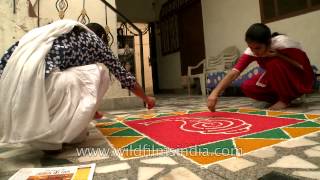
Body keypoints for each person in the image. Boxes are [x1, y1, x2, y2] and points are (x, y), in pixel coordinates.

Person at [0, 20, 155, 151]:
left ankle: (52, 134)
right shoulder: (94, 41)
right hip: (40, 89)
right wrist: (146, 99)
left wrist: (92, 110)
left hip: (14, 90)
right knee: (100, 71)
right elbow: (124, 77)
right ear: (101, 37)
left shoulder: (60, 32)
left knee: (74, 72)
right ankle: (53, 138)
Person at [207, 23, 314, 111]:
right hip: (276, 79)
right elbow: (234, 72)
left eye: (258, 48)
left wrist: (279, 55)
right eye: (250, 47)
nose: (254, 52)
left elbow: (302, 67)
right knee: (247, 87)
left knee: (273, 63)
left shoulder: (283, 43)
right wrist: (215, 93)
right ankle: (285, 97)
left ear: (268, 43)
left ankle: (285, 99)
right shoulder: (252, 51)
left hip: (297, 78)